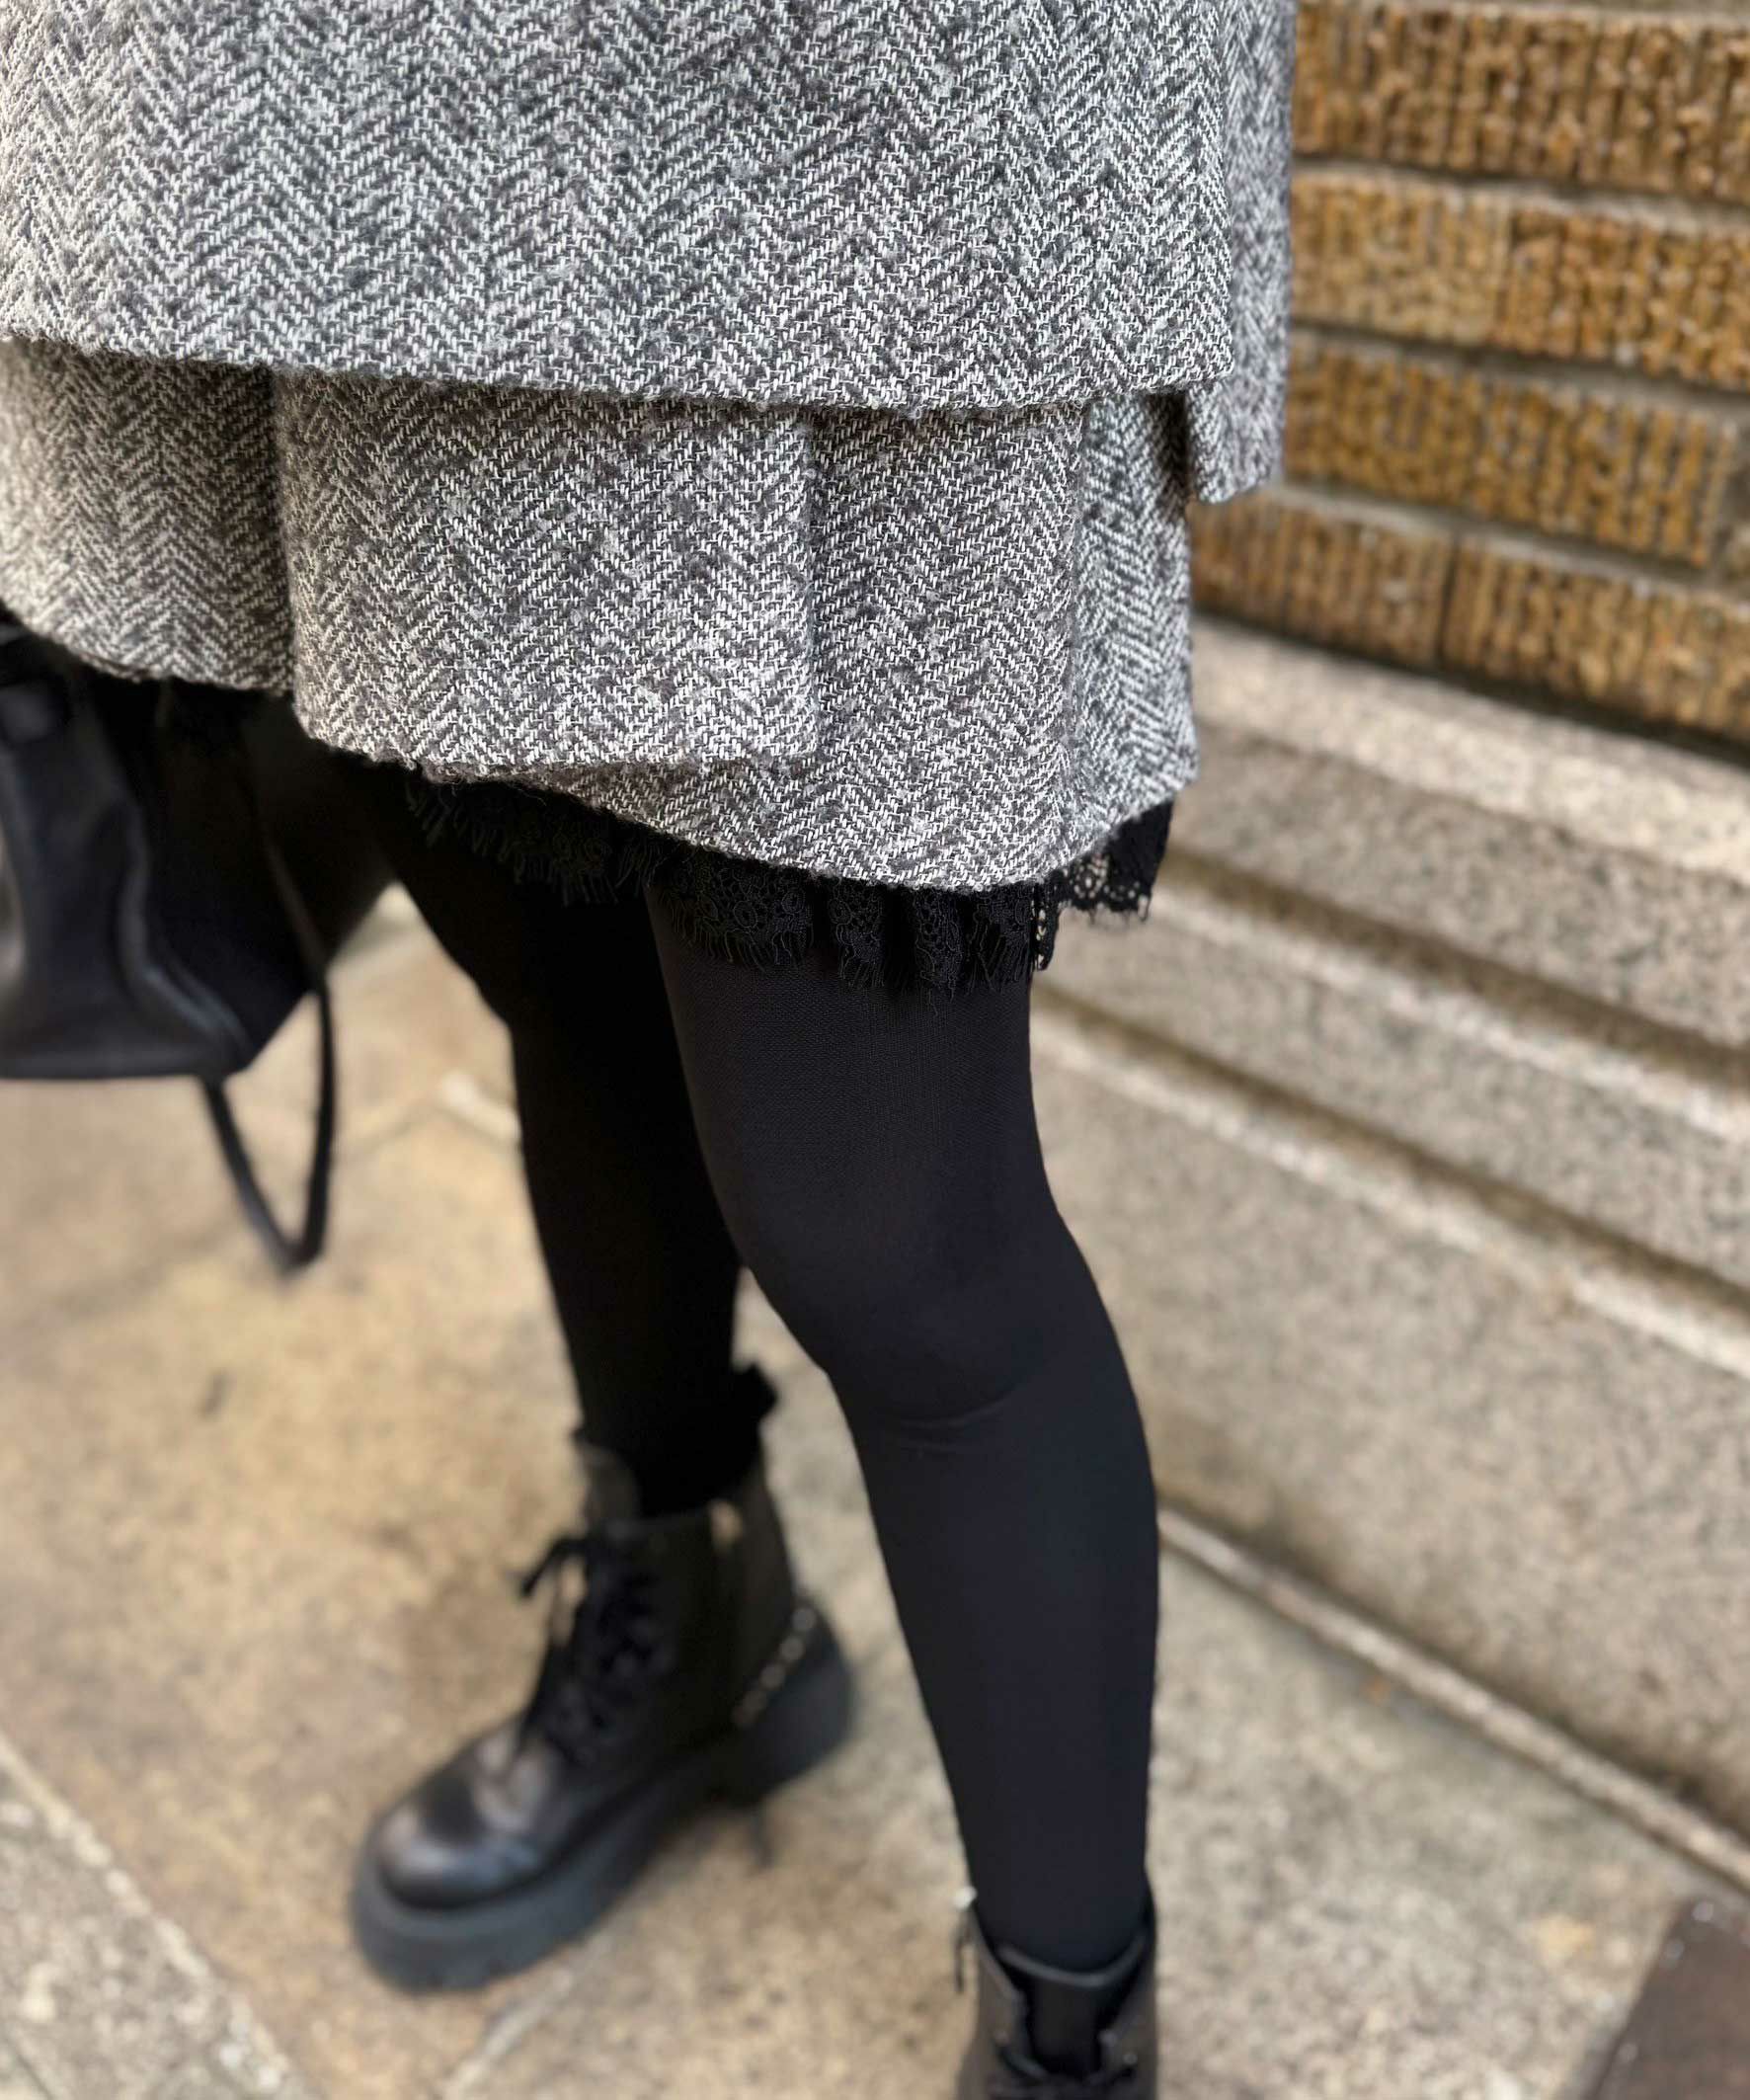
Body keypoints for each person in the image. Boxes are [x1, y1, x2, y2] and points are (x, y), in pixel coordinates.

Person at [0, 8, 1297, 2091]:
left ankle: (1073, 2028)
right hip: (303, 159)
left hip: (874, 182)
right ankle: (693, 1608)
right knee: (571, 990)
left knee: (892, 1235)